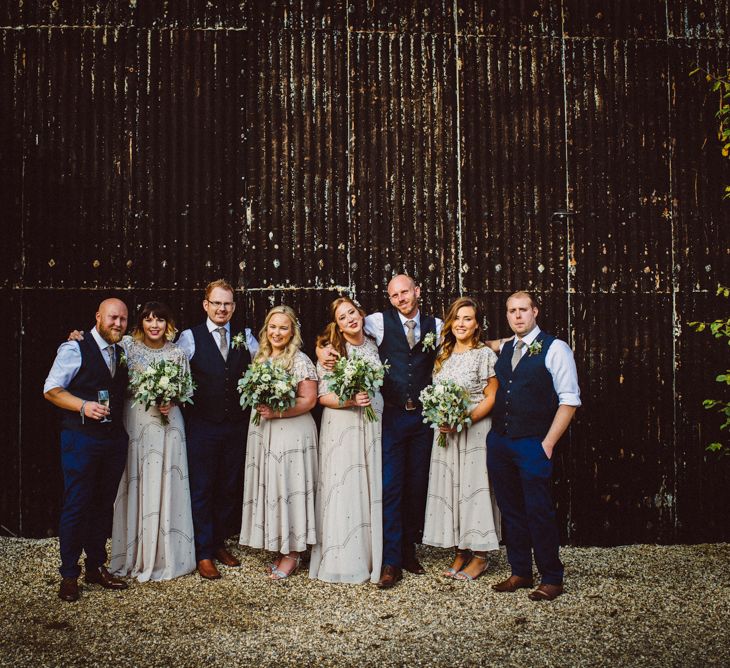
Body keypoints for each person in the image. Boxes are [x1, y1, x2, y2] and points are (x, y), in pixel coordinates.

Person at [487, 291, 581, 601]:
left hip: (533, 443)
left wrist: (549, 443)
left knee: (538, 509)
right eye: (512, 311)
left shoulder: (556, 349)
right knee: (510, 509)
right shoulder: (505, 347)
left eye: (523, 310)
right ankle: (520, 572)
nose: (517, 315)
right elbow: (483, 345)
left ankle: (552, 577)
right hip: (500, 440)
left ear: (535, 312)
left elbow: (569, 400)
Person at [44, 298, 131, 602]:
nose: (117, 323)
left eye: (122, 319)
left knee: (102, 505)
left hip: (113, 441)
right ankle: (69, 574)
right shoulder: (74, 348)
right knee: (77, 504)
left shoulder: (122, 350)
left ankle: (95, 566)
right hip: (81, 440)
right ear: (97, 317)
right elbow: (51, 389)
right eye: (112, 318)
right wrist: (82, 405)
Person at [108, 302, 196, 581]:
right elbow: (100, 343)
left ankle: (167, 555)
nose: (154, 325)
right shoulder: (127, 347)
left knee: (168, 480)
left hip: (169, 423)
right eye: (148, 319)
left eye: (160, 319)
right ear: (141, 324)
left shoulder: (178, 353)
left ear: (168, 324)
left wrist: (173, 400)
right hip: (137, 420)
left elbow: (186, 389)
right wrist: (77, 336)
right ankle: (136, 554)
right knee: (139, 479)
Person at [177, 279, 258, 579]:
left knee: (227, 486)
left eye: (227, 304)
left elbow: (265, 365)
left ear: (234, 307)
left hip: (236, 425)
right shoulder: (189, 338)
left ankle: (220, 542)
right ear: (206, 305)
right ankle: (203, 553)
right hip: (202, 425)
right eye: (217, 303)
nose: (222, 308)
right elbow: (165, 361)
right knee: (202, 488)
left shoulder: (246, 337)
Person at [422, 297, 501, 580]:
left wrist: (464, 420)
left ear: (477, 323)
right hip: (446, 432)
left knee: (474, 488)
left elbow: (492, 396)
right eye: (457, 318)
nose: (461, 324)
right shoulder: (444, 355)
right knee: (452, 489)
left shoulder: (484, 355)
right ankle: (460, 550)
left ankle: (480, 556)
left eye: (467, 318)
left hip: (475, 429)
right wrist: (441, 417)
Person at [239, 305, 318, 580]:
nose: (277, 332)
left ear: (293, 331)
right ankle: (281, 545)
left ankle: (294, 553)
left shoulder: (300, 360)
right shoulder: (260, 358)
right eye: (273, 327)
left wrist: (277, 411)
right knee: (274, 487)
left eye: (284, 327)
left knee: (290, 487)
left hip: (291, 430)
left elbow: (308, 400)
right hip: (265, 430)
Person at [309, 297, 384, 584]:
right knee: (344, 486)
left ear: (361, 313)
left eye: (352, 312)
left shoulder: (376, 339)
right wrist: (350, 400)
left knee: (368, 484)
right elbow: (322, 396)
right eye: (342, 318)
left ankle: (370, 554)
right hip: (342, 424)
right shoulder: (331, 350)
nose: (350, 319)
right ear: (337, 326)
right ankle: (343, 557)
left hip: (372, 422)